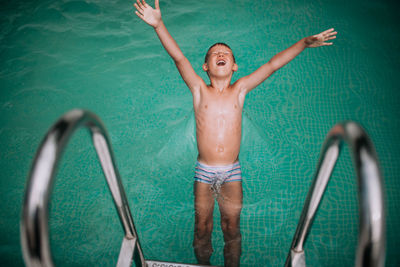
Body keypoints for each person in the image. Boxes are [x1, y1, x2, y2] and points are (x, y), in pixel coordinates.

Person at [133, 1, 337, 266]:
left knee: (232, 228)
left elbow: (272, 65)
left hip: (232, 171)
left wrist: (303, 43)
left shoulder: (240, 90)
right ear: (205, 66)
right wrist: (159, 25)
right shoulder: (198, 90)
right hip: (204, 171)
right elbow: (179, 58)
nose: (221, 54)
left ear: (235, 67)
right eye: (215, 53)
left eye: (226, 53)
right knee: (202, 228)